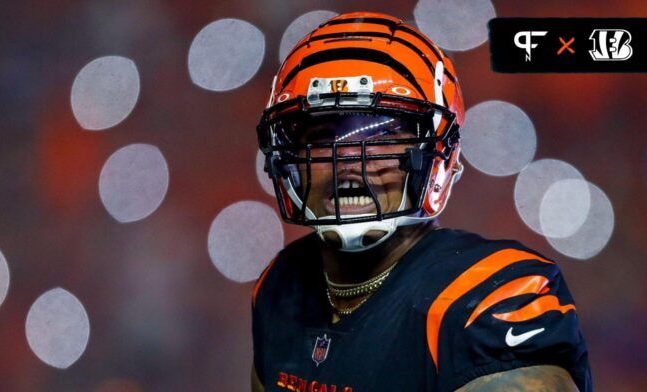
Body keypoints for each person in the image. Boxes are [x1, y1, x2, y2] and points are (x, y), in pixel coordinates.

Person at [252, 11, 591, 392]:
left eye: (380, 134)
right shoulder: (281, 283)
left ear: (437, 156)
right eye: (321, 135)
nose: (346, 158)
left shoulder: (491, 295)